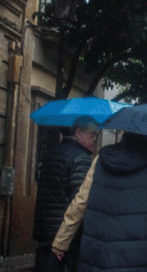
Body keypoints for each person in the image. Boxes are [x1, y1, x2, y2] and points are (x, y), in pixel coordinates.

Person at [51, 132, 147, 272]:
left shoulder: (101, 159)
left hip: (99, 248)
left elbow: (80, 203)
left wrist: (61, 242)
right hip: (138, 253)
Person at [33, 116, 99, 272]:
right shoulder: (81, 158)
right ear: (78, 132)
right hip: (67, 234)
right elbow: (81, 199)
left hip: (45, 231)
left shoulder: (51, 152)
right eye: (92, 134)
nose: (94, 139)